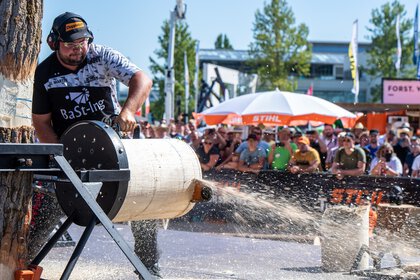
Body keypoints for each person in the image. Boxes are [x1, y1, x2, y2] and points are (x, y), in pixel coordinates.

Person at [30, 12, 159, 278]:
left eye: (82, 43)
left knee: (142, 205)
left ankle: (149, 268)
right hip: (72, 151)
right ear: (54, 43)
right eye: (70, 45)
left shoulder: (101, 56)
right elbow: (41, 122)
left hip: (112, 146)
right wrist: (58, 156)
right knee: (49, 211)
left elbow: (142, 79)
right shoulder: (43, 73)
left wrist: (129, 111)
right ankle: (23, 262)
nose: (78, 50)